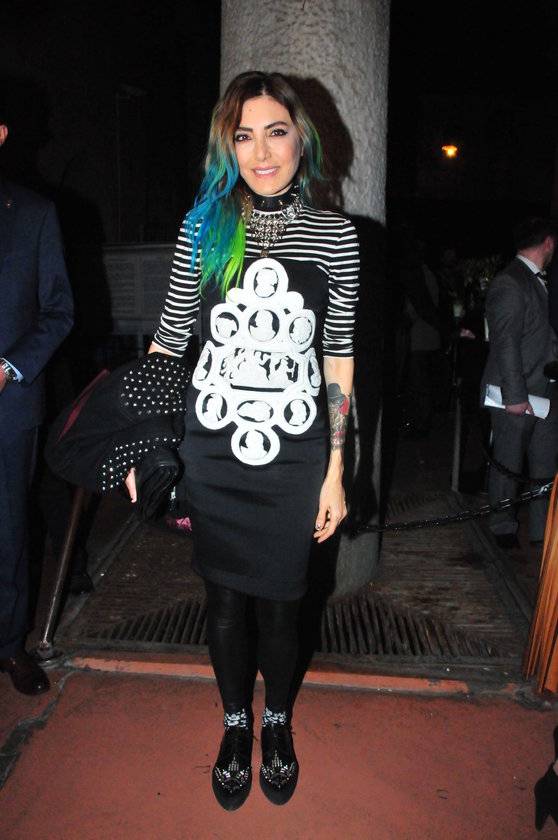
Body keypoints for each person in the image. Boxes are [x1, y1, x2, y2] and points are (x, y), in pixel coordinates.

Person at [126, 71, 359, 809]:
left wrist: (335, 469)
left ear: (301, 139)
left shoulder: (337, 235)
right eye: (244, 136)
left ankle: (277, 721)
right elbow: (169, 344)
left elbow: (338, 359)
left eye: (275, 132)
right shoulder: (204, 228)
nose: (261, 152)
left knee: (285, 604)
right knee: (223, 600)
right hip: (213, 446)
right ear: (227, 147)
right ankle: (235, 724)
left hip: (295, 454)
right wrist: (144, 443)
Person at [0, 101, 74, 694]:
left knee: (7, 528)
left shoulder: (33, 214)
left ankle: (8, 644)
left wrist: (8, 366)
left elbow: (59, 311)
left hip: (8, 405)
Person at [481, 217, 558, 549]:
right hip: (515, 393)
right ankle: (502, 527)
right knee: (508, 462)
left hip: (546, 390)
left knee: (545, 463)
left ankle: (543, 531)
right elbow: (506, 343)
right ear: (548, 242)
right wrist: (515, 395)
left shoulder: (538, 280)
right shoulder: (511, 282)